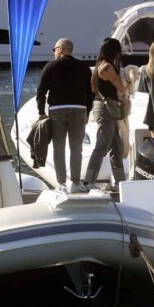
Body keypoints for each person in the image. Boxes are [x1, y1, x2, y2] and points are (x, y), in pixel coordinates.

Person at [35, 38, 94, 192]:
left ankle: (61, 184)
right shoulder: (83, 67)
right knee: (76, 148)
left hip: (57, 110)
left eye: (54, 49)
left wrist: (41, 111)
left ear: (60, 49)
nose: (54, 52)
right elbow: (90, 92)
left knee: (58, 148)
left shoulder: (50, 66)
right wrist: (88, 111)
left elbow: (41, 91)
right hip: (79, 109)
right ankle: (75, 183)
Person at [82, 38, 128, 188]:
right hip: (106, 109)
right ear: (114, 51)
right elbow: (121, 88)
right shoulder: (108, 67)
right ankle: (88, 181)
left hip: (105, 108)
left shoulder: (100, 65)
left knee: (116, 146)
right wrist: (127, 80)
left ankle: (120, 182)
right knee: (102, 145)